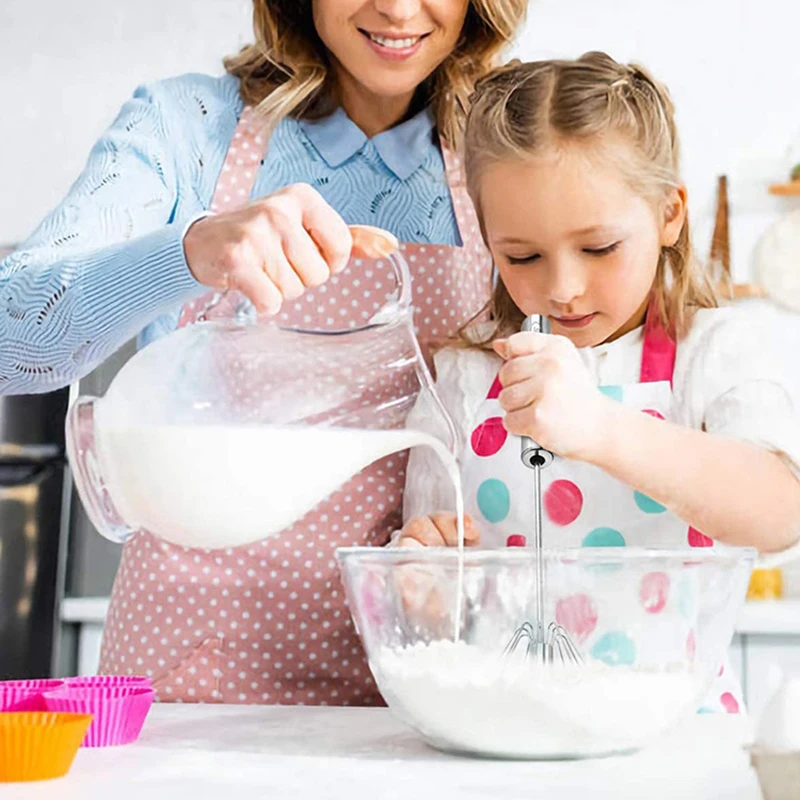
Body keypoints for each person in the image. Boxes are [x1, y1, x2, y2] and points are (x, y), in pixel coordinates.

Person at [0, 1, 528, 703]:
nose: (399, 9)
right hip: (195, 672)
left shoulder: (511, 150)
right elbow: (12, 337)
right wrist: (192, 251)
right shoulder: (187, 128)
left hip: (420, 676)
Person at [399, 52, 800, 713]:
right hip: (508, 727)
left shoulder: (713, 353)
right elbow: (434, 594)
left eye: (599, 248)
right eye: (522, 256)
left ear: (669, 214)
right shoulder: (466, 379)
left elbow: (781, 514)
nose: (562, 287)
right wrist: (425, 588)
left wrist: (603, 429)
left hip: (673, 731)